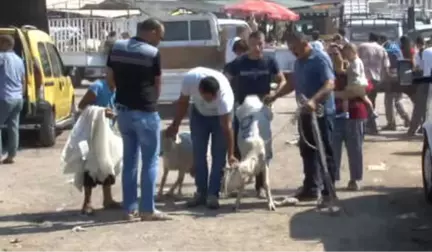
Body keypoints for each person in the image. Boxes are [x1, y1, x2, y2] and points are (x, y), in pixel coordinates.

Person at [107, 18, 169, 221]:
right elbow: (158, 85)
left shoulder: (117, 47)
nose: (160, 40)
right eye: (160, 36)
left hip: (123, 111)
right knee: (150, 162)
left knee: (130, 162)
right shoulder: (152, 53)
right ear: (150, 32)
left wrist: (121, 93)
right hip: (145, 112)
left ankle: (129, 209)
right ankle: (147, 209)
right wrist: (150, 102)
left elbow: (109, 78)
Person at [266, 31, 337, 203]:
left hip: (321, 113)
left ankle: (329, 191)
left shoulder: (320, 59)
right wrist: (276, 94)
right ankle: (311, 188)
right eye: (291, 49)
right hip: (305, 113)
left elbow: (330, 84)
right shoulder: (299, 62)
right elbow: (292, 83)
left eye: (295, 48)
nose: (293, 52)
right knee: (307, 151)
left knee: (324, 152)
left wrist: (314, 101)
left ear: (305, 43)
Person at [224, 30, 286, 197]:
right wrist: (228, 98)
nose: (257, 48)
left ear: (264, 43)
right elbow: (225, 79)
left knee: (262, 147)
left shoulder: (270, 61)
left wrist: (275, 94)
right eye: (254, 44)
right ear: (249, 45)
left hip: (261, 110)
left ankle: (260, 186)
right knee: (239, 145)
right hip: (243, 110)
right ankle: (235, 184)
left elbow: (282, 80)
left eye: (260, 44)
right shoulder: (239, 62)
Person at [165, 67, 236, 209]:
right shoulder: (190, 80)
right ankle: (200, 193)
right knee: (198, 153)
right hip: (199, 115)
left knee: (218, 155)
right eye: (209, 98)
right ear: (200, 91)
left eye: (214, 97)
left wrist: (231, 154)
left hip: (219, 119)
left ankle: (213, 195)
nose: (212, 100)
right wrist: (175, 125)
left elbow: (227, 128)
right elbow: (183, 103)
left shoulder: (224, 97)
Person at [77, 76, 120, 215]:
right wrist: (101, 112)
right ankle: (87, 202)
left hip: (108, 133)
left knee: (108, 163)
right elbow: (82, 105)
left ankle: (108, 199)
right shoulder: (98, 86)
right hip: (92, 133)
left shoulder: (117, 90)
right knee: (90, 166)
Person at [329, 44, 368, 191]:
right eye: (331, 54)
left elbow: (362, 89)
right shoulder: (327, 73)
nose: (334, 57)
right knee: (333, 149)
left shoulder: (352, 69)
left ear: (343, 54)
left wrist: (333, 94)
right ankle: (332, 179)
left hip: (355, 114)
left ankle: (355, 179)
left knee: (355, 149)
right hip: (334, 115)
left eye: (336, 53)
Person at [357, 33, 390, 134]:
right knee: (372, 101)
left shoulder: (362, 46)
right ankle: (372, 126)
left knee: (362, 102)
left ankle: (365, 125)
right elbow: (386, 66)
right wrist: (383, 80)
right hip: (376, 79)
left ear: (369, 38)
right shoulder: (382, 49)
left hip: (362, 79)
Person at [0, 35, 24, 165]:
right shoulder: (19, 60)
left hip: (4, 97)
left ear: (4, 44)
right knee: (13, 127)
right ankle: (11, 156)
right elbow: (23, 80)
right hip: (18, 98)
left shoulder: (2, 57)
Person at [381, 35, 410, 130]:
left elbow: (386, 65)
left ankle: (391, 123)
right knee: (397, 100)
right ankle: (406, 117)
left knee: (388, 101)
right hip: (400, 75)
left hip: (391, 76)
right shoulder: (396, 47)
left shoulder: (386, 49)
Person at [341, 43, 375, 117]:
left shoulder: (356, 62)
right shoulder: (356, 61)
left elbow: (356, 72)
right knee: (364, 97)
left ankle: (345, 112)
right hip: (360, 84)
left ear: (354, 52)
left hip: (355, 83)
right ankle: (372, 112)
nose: (347, 56)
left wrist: (347, 69)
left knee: (345, 96)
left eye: (348, 54)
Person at [408, 36, 428, 135]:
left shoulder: (421, 53)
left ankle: (412, 130)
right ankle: (425, 129)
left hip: (424, 82)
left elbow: (418, 68)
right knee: (427, 107)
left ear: (417, 43)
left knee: (419, 107)